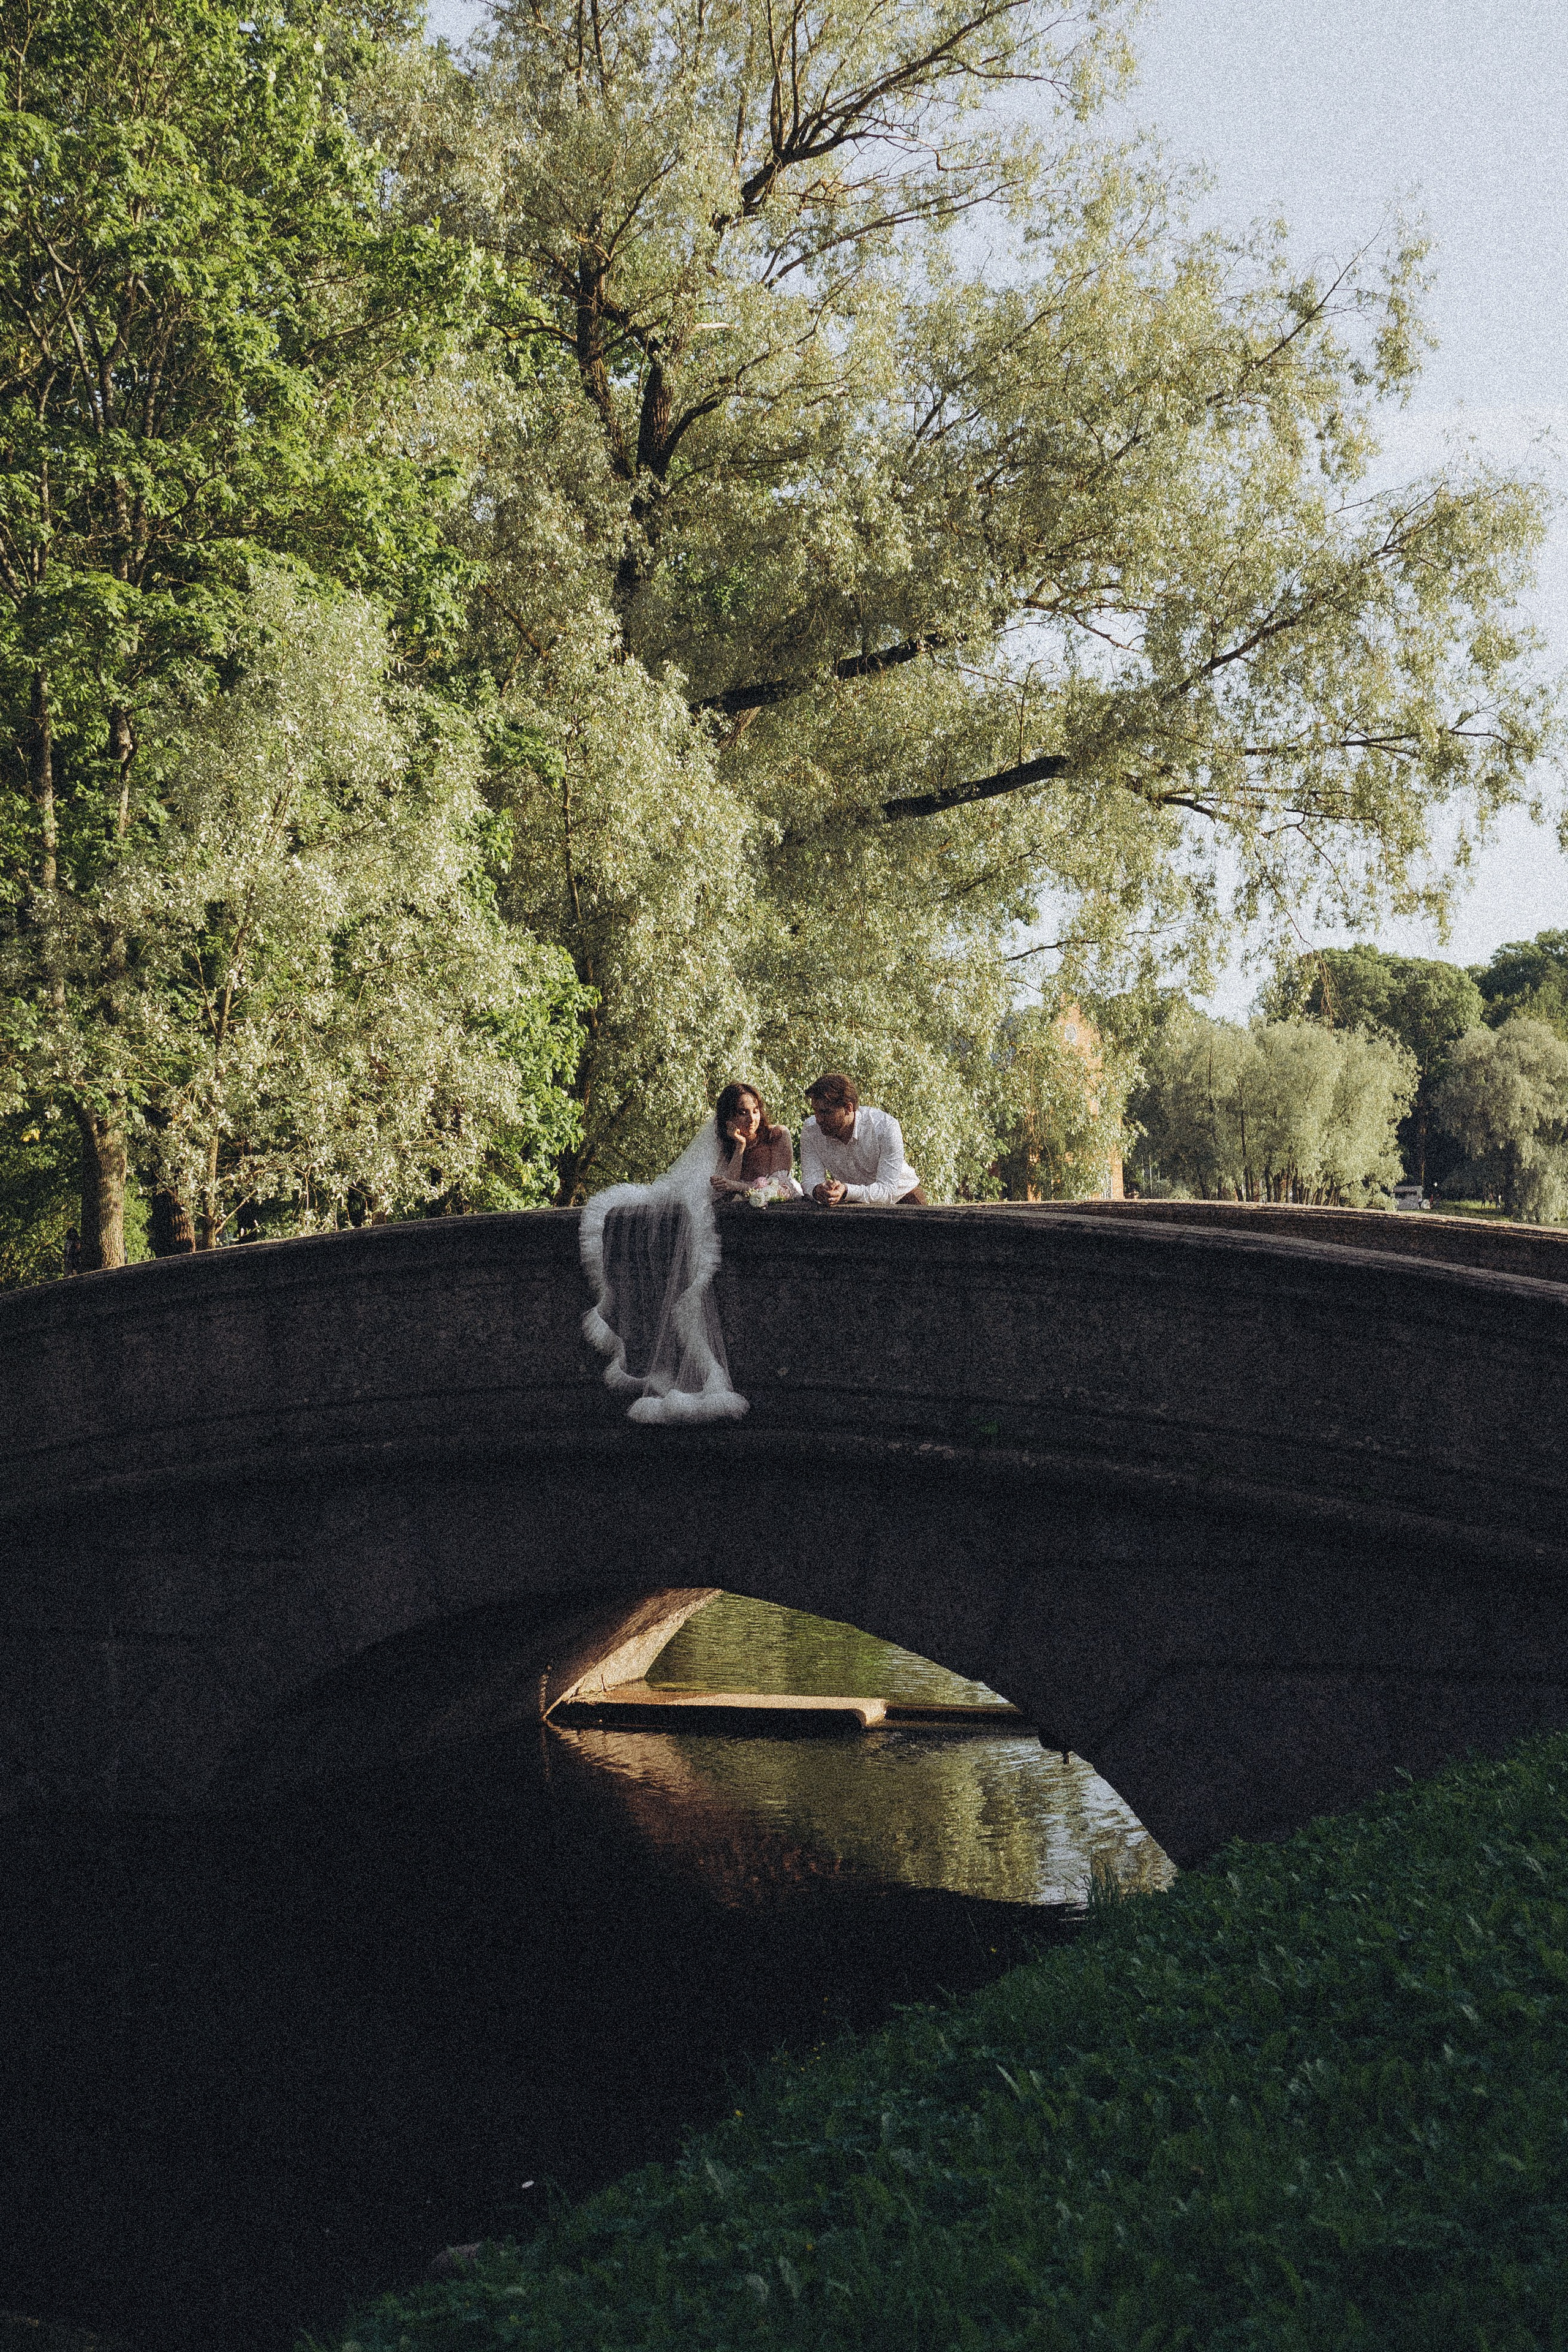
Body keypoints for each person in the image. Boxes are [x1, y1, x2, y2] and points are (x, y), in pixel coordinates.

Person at [801, 1073, 928, 1205]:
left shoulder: (885, 1127)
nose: (818, 1119)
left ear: (848, 1108)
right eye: (815, 1111)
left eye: (826, 1112)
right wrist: (818, 1191)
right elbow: (810, 1180)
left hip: (903, 1198)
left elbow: (887, 1191)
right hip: (852, 1201)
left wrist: (846, 1191)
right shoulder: (811, 1130)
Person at [709, 1082, 802, 1204]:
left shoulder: (776, 1135)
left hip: (781, 1210)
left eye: (755, 1111)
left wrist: (738, 1186)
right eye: (743, 1113)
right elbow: (726, 1189)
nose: (752, 1119)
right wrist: (740, 1146)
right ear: (728, 1117)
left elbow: (780, 1189)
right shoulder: (725, 1142)